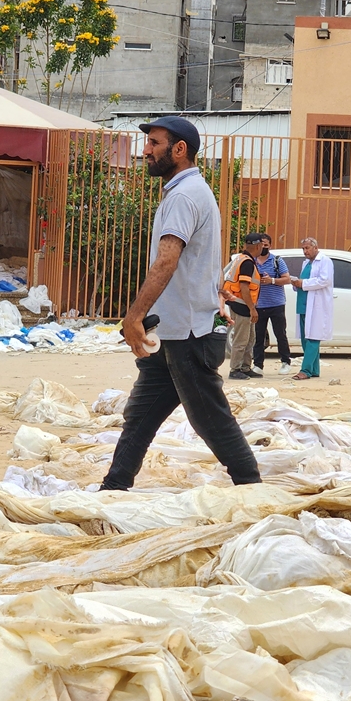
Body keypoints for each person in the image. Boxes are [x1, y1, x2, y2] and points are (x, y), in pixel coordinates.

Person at [102, 116, 261, 491]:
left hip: (188, 332)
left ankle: (251, 486)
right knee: (140, 416)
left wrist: (134, 315)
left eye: (154, 143)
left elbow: (167, 259)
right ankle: (114, 487)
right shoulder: (185, 192)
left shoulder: (185, 195)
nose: (146, 151)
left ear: (179, 150)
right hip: (173, 330)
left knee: (210, 419)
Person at [289, 237, 333, 380]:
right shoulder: (306, 263)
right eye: (303, 248)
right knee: (304, 337)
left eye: (307, 248)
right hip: (303, 304)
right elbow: (304, 282)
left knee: (314, 337)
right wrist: (296, 284)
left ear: (315, 247)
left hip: (316, 305)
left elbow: (324, 280)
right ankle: (314, 369)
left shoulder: (325, 261)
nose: (305, 251)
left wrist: (303, 283)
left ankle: (305, 370)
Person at [222, 233, 263, 380]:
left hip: (241, 304)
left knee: (250, 338)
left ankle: (245, 367)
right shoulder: (247, 263)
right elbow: (244, 287)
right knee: (241, 339)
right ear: (258, 246)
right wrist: (252, 308)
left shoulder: (241, 258)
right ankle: (235, 369)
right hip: (242, 306)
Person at [253, 232, 292, 376]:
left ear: (270, 245)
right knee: (258, 336)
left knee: (280, 333)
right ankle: (258, 365)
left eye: (266, 245)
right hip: (258, 305)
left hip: (276, 304)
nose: (263, 247)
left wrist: (272, 281)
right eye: (261, 244)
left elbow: (287, 279)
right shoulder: (252, 261)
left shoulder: (277, 260)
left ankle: (285, 362)